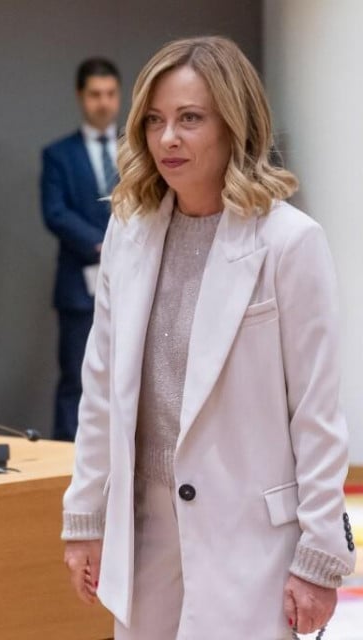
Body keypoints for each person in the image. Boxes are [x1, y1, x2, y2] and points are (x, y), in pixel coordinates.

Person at [61, 36, 356, 639]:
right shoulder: (129, 231)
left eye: (190, 119)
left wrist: (320, 557)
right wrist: (85, 517)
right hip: (143, 533)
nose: (168, 138)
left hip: (251, 539)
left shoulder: (290, 242)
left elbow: (317, 416)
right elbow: (100, 391)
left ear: (234, 125)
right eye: (155, 121)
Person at [41, 58, 121, 441]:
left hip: (134, 279)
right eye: (95, 95)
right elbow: (54, 213)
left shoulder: (140, 150)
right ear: (80, 97)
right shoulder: (58, 154)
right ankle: (63, 467)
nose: (103, 103)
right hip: (79, 283)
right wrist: (100, 243)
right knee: (76, 376)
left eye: (110, 94)